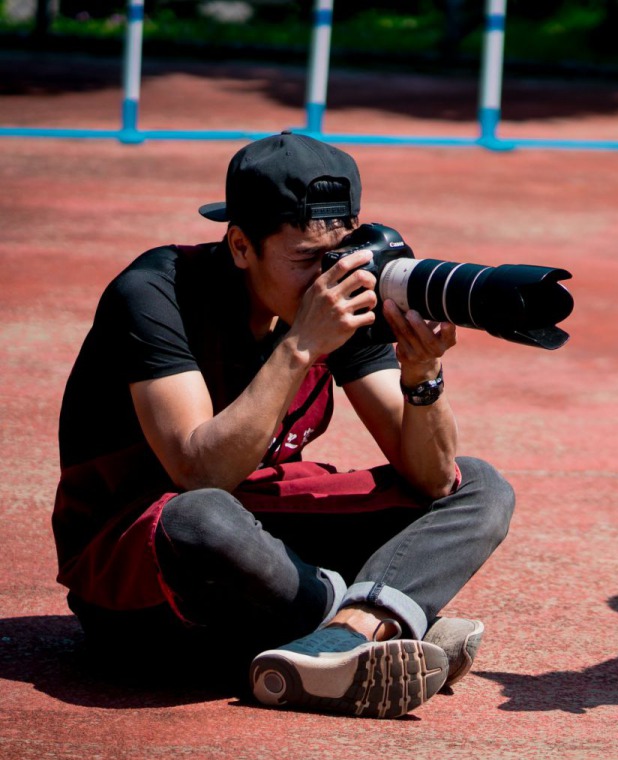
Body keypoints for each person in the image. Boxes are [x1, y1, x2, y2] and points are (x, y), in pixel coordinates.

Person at [51, 131, 515, 718]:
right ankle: (377, 623)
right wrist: (299, 347)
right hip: (146, 575)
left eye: (336, 257)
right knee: (202, 517)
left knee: (476, 484)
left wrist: (421, 372)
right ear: (241, 245)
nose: (326, 280)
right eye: (303, 261)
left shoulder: (332, 296)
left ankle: (341, 638)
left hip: (272, 555)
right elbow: (200, 472)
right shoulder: (155, 291)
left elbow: (428, 477)